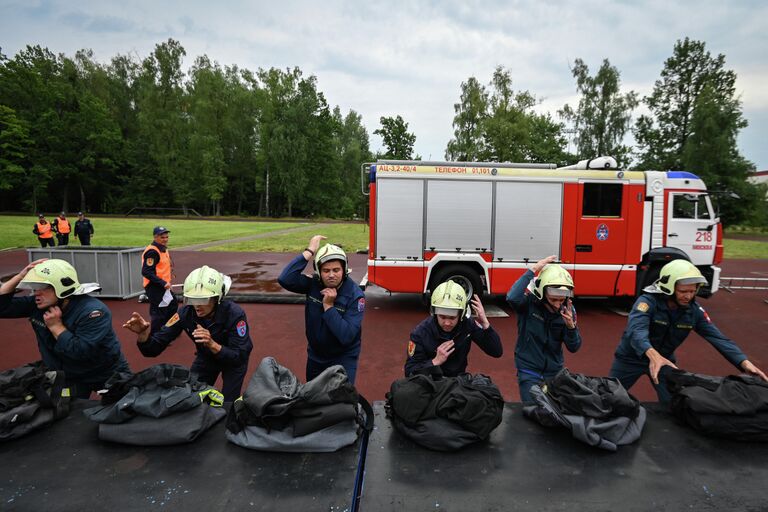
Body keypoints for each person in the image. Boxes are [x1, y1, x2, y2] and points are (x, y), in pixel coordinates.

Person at [609, 259, 767, 402]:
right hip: (630, 360)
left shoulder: (694, 311)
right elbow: (636, 332)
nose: (688, 296)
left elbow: (718, 338)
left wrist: (744, 363)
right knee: (608, 398)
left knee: (675, 405)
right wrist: (653, 355)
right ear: (669, 288)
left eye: (692, 291)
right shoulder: (646, 302)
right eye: (683, 291)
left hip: (665, 361)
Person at [0, 259, 130, 398]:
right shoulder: (37, 304)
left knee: (127, 410)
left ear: (62, 287)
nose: (36, 293)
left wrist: (56, 326)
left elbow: (79, 351)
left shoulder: (93, 311)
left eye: (43, 287)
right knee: (68, 416)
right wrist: (20, 276)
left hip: (106, 372)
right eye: (35, 287)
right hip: (68, 375)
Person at [123, 266, 252, 401]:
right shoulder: (185, 314)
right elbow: (153, 350)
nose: (197, 305)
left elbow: (239, 356)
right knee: (191, 397)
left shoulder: (235, 314)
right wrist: (143, 335)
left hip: (233, 360)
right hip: (206, 357)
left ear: (216, 298)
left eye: (203, 299)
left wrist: (212, 344)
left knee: (228, 403)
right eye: (192, 299)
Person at [278, 235, 365, 384]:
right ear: (318, 271)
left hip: (342, 358)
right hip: (316, 357)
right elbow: (285, 279)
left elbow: (347, 336)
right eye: (326, 270)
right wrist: (309, 251)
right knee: (313, 400)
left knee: (341, 401)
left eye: (336, 270)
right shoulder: (313, 284)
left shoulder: (355, 295)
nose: (331, 275)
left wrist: (329, 307)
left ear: (344, 270)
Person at [506, 255, 582, 402]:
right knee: (532, 410)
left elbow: (574, 347)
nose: (557, 304)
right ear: (541, 292)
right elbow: (512, 297)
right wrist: (533, 269)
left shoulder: (567, 311)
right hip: (529, 370)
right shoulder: (528, 304)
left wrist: (571, 328)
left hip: (554, 372)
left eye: (561, 299)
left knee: (554, 413)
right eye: (553, 299)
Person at [404, 279, 502, 378]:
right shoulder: (420, 333)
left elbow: (496, 352)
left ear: (462, 314)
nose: (447, 323)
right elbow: (409, 372)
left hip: (457, 383)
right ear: (434, 313)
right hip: (430, 383)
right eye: (442, 317)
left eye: (452, 318)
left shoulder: (467, 324)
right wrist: (435, 361)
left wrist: (485, 323)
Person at [142, 226, 177, 333]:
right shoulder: (152, 252)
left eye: (167, 237)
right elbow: (146, 272)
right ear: (155, 237)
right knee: (158, 311)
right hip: (155, 286)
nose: (165, 239)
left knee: (172, 306)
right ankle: (156, 335)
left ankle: (167, 330)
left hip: (163, 286)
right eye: (162, 237)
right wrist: (162, 282)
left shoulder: (163, 248)